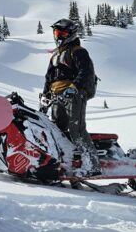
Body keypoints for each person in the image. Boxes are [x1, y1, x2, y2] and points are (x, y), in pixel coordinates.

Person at [43, 18, 100, 176]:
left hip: (73, 94)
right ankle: (63, 162)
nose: (59, 36)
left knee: (77, 129)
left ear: (71, 34)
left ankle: (92, 164)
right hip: (56, 96)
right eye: (57, 32)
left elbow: (86, 72)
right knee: (56, 130)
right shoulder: (55, 55)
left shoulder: (78, 51)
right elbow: (49, 78)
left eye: (62, 33)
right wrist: (45, 94)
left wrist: (74, 87)